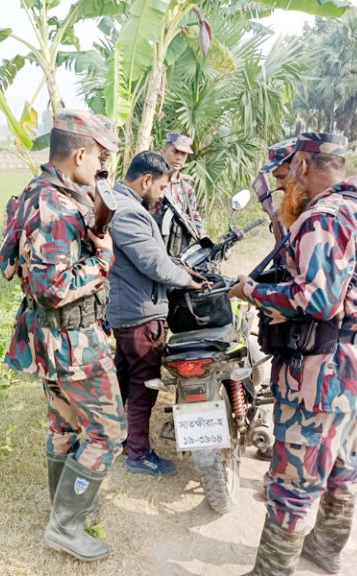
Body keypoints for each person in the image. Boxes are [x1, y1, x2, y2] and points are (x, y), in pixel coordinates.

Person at [228, 132, 357, 576]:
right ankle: (325, 549)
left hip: (319, 374)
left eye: (285, 177)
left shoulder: (322, 218)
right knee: (343, 461)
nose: (284, 188)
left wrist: (253, 290)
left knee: (294, 481)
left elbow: (317, 301)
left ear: (304, 166)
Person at [0, 109, 127, 562]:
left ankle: (62, 510)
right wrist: (103, 260)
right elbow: (51, 288)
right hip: (73, 343)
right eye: (99, 159)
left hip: (49, 341)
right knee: (108, 432)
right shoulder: (54, 206)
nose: (101, 169)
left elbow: (7, 264)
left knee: (64, 425)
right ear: (78, 154)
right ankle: (66, 524)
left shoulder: (35, 193)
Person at [107, 151, 204, 476]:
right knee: (143, 385)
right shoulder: (128, 212)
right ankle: (138, 453)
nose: (162, 195)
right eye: (161, 188)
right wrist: (187, 280)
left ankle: (121, 439)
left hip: (131, 311)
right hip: (139, 316)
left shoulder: (121, 204)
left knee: (125, 378)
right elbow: (153, 262)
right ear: (146, 180)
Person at [155, 133, 205, 257]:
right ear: (163, 151)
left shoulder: (187, 184)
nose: (179, 158)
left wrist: (202, 233)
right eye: (175, 152)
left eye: (183, 154)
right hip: (155, 242)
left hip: (178, 246)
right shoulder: (151, 179)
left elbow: (191, 212)